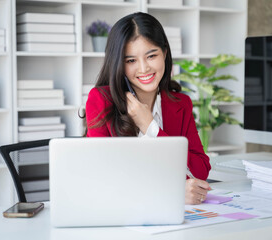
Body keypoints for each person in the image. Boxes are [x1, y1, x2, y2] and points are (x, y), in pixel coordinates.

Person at [84, 12, 211, 205]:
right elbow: (102, 178)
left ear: (165, 54)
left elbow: (200, 169)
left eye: (151, 56)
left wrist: (151, 127)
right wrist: (171, 191)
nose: (144, 69)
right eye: (131, 61)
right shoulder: (102, 100)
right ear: (119, 64)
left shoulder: (180, 103)